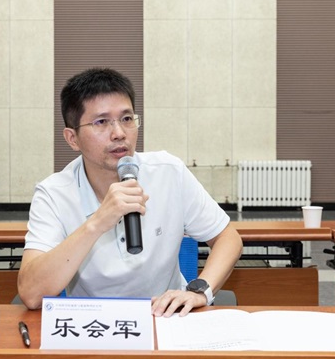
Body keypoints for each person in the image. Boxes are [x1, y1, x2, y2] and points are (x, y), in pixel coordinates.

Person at [18, 67, 242, 317]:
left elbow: (227, 238)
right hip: (92, 323)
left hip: (164, 318)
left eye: (126, 119)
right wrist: (96, 224)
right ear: (73, 138)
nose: (119, 133)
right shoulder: (53, 193)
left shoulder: (169, 172)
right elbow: (31, 293)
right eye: (101, 122)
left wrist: (200, 290)